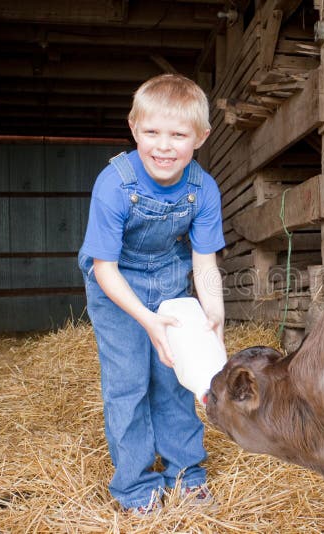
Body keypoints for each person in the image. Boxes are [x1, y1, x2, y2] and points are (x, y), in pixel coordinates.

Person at [78, 73, 225, 516]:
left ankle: (187, 475)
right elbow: (104, 268)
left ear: (200, 137)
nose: (164, 146)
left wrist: (214, 316)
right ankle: (136, 486)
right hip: (116, 286)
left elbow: (204, 264)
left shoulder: (204, 190)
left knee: (175, 380)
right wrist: (148, 322)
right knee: (129, 383)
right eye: (152, 132)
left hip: (169, 280)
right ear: (134, 129)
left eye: (178, 134)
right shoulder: (114, 184)